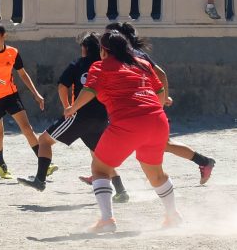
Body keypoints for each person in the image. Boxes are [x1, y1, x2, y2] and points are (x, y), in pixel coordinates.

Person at [65, 30, 182, 233]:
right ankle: (173, 216)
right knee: (156, 175)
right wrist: (154, 114)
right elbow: (160, 92)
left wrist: (71, 108)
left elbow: (89, 91)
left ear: (104, 51)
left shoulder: (100, 66)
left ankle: (107, 220)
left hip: (128, 124)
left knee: (100, 169)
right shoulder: (142, 64)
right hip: (157, 121)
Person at [17, 32, 128, 203]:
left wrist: (67, 106)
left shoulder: (78, 64)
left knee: (45, 141)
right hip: (101, 118)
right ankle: (121, 190)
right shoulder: (104, 65)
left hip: (80, 116)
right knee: (100, 155)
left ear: (84, 48)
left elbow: (62, 86)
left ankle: (40, 180)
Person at [0, 16, 57, 179]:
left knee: (27, 128)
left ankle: (45, 164)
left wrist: (36, 94)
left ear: (4, 36)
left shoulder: (13, 52)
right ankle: (1, 164)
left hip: (10, 94)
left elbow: (23, 74)